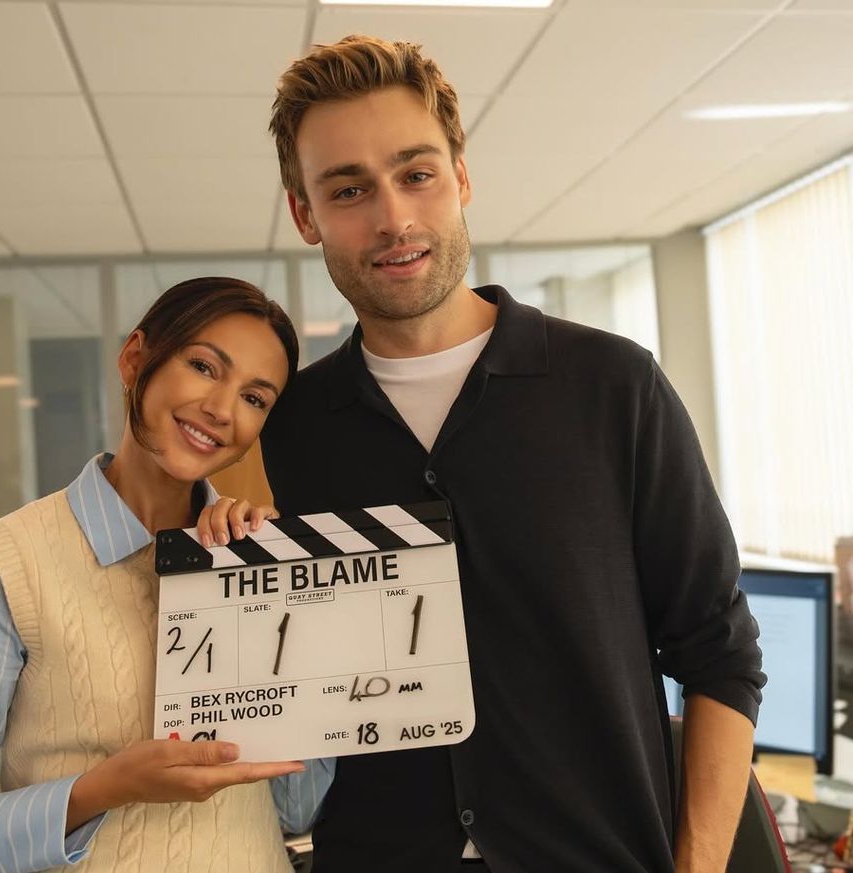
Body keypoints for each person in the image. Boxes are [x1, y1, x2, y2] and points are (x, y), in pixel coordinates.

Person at [261, 35, 766, 873]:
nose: (392, 217)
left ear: (461, 177)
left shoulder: (613, 386)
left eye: (415, 173)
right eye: (348, 189)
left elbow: (719, 652)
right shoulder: (292, 426)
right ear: (305, 214)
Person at [0, 277, 305, 872]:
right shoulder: (6, 565)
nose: (222, 410)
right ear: (134, 360)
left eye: (256, 399)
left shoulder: (260, 558)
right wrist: (101, 789)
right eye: (204, 367)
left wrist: (289, 607)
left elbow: (296, 809)